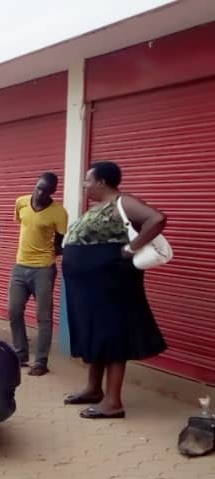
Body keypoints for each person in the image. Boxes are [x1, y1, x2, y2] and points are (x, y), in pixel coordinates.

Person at [61, 161, 167, 420]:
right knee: (97, 334)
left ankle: (113, 402)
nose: (84, 185)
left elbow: (157, 218)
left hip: (111, 282)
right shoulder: (98, 207)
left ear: (102, 182)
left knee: (113, 335)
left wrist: (131, 248)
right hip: (90, 285)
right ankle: (93, 389)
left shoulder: (123, 202)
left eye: (88, 180)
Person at [8, 172, 69, 376]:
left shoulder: (59, 213)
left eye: (45, 191)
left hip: (43, 269)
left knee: (44, 316)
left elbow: (59, 243)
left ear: (53, 192)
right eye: (38, 188)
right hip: (20, 266)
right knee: (14, 311)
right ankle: (21, 353)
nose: (39, 193)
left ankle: (41, 361)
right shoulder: (21, 202)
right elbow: (24, 225)